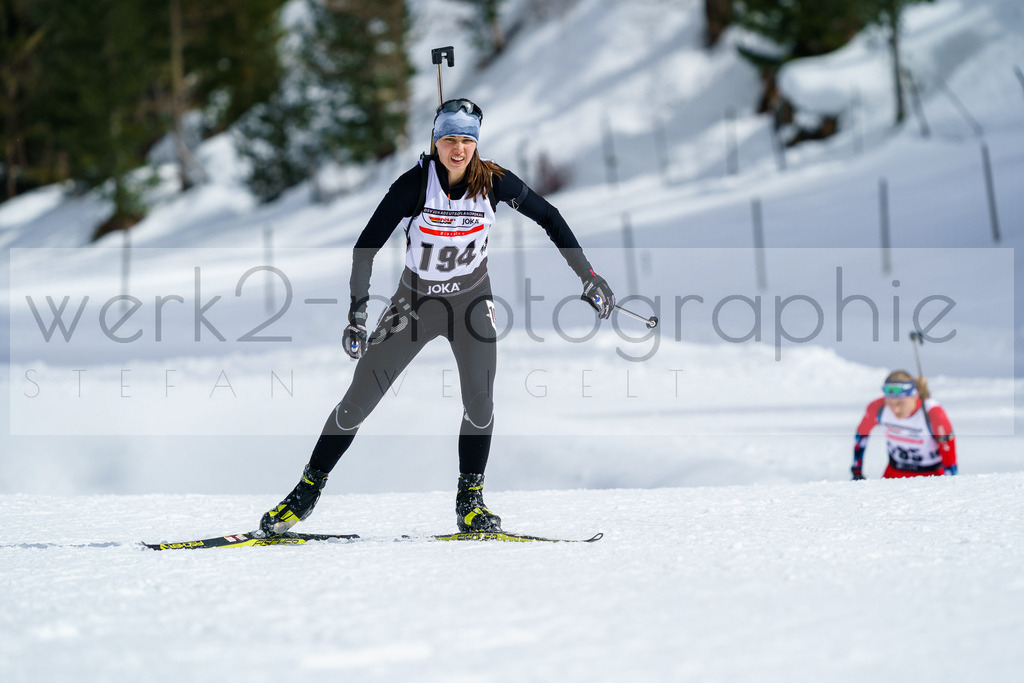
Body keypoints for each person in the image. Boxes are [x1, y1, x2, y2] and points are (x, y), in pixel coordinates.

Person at [258, 98, 615, 535]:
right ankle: (306, 492)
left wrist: (588, 275)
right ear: (436, 140)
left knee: (480, 405)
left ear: (477, 144)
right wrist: (357, 313)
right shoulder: (413, 185)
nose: (458, 149)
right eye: (449, 139)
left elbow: (551, 217)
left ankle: (470, 502)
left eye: (467, 140)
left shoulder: (495, 182)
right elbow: (365, 247)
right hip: (414, 305)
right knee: (356, 404)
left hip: (471, 304)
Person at [851, 370, 958, 480]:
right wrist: (857, 471)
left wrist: (950, 484)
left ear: (914, 396)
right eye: (890, 403)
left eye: (900, 403)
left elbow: (949, 458)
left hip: (931, 475)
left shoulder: (933, 414)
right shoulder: (878, 408)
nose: (895, 409)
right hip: (894, 473)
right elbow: (861, 434)